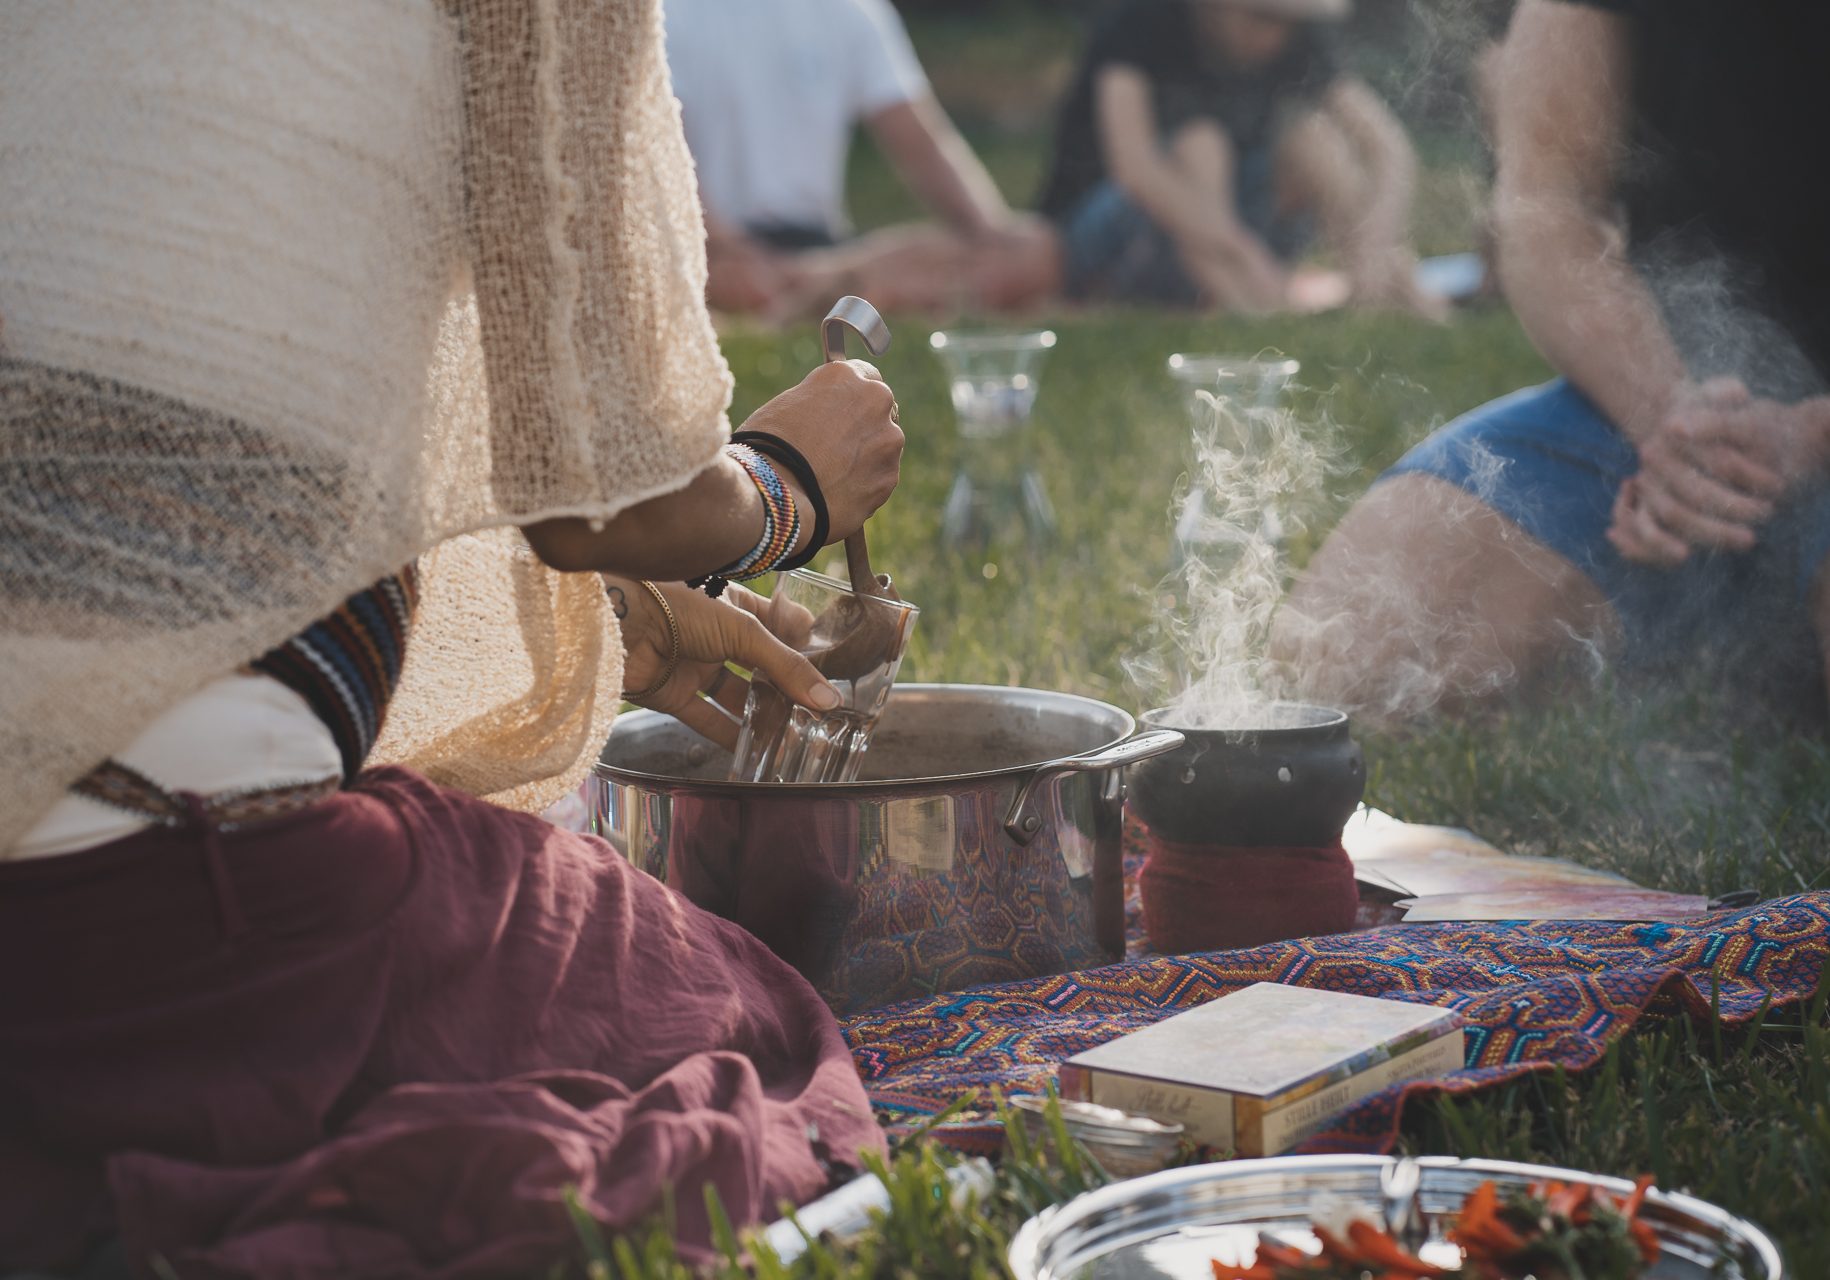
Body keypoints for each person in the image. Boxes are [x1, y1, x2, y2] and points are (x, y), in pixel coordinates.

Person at [0, 1, 903, 1274]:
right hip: (148, 907)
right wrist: (783, 490)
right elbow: (612, 489)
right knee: (735, 1021)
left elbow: (134, 485)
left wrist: (597, 622)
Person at [1272, 0, 1830, 723]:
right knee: (1342, 655)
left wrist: (1811, 435)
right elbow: (1546, 205)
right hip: (1673, 406)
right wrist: (1671, 418)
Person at [1039, 0, 1445, 316]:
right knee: (1202, 144)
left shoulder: (1294, 33)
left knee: (1313, 141)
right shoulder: (1144, 20)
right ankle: (1253, 312)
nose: (1273, 36)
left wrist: (1379, 236)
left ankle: (1372, 292)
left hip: (1235, 224)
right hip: (1113, 236)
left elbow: (1386, 145)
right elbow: (1135, 169)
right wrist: (1244, 254)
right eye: (1260, 16)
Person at [664, 0, 1059, 318]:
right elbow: (666, 158)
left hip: (828, 255)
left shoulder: (852, 11)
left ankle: (814, 293)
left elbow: (922, 144)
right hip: (720, 253)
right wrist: (727, 247)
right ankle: (834, 297)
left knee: (1034, 249)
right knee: (727, 280)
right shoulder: (665, 13)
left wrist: (990, 237)